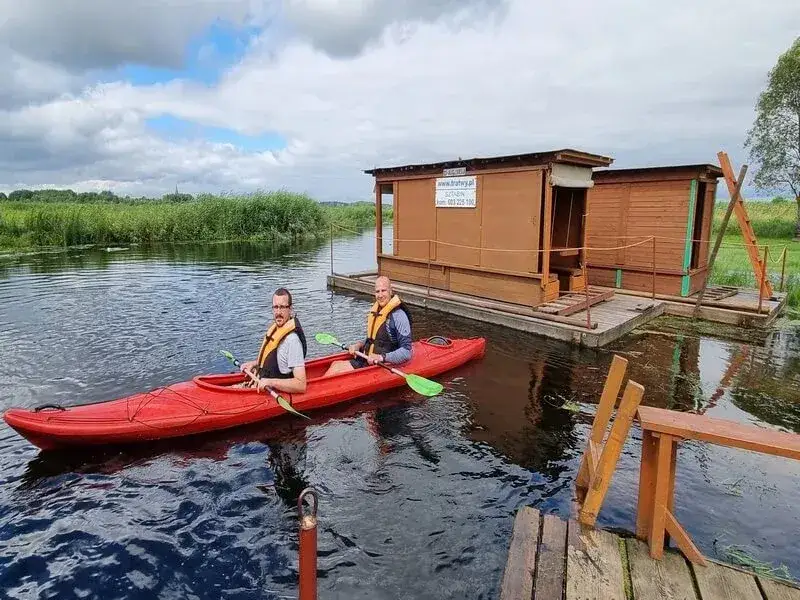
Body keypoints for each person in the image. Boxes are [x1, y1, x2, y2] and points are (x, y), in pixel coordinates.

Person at [323, 275, 412, 376]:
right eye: (377, 291)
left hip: (383, 365)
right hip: (367, 360)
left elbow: (406, 352)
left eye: (383, 290)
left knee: (337, 371)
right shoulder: (376, 311)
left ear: (391, 291)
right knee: (335, 364)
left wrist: (381, 357)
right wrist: (358, 345)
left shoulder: (399, 316)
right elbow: (374, 339)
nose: (380, 295)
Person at [239, 287, 308, 394]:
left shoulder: (292, 341)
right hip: (260, 384)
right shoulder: (275, 330)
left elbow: (301, 385)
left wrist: (270, 382)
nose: (278, 312)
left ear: (290, 309)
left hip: (273, 392)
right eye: (275, 307)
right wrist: (256, 364)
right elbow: (276, 361)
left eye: (282, 307)